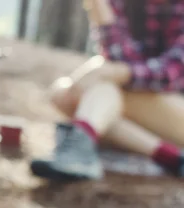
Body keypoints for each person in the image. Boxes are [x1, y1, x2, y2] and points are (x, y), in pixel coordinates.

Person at [33, 0, 184, 180]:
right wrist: (99, 7)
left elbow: (172, 72)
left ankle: (81, 143)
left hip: (176, 109)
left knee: (82, 92)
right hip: (131, 101)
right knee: (62, 93)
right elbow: (118, 56)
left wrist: (115, 72)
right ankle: (172, 157)